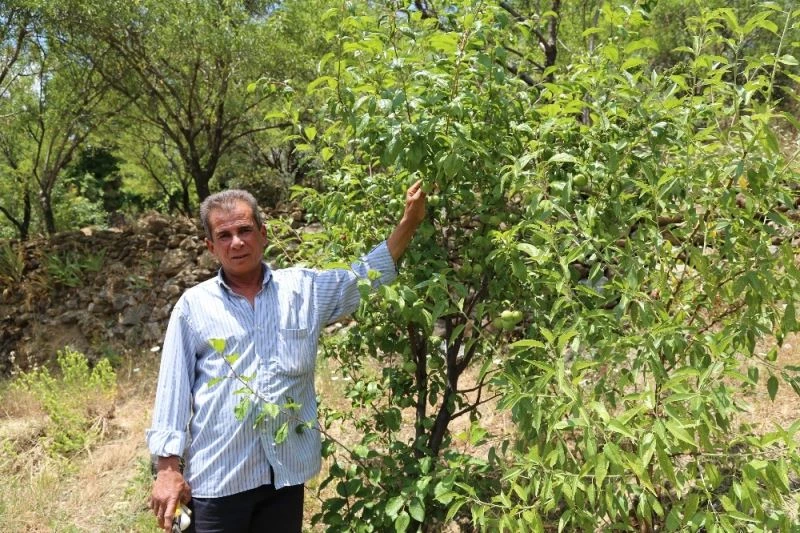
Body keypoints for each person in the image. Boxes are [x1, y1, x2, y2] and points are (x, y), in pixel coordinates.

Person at [146, 181, 426, 532]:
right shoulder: (194, 307)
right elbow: (173, 391)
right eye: (225, 235)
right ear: (211, 246)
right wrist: (168, 470)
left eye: (245, 230)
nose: (237, 242)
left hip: (283, 478)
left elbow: (364, 276)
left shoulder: (303, 290)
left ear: (263, 234)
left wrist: (410, 222)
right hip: (218, 481)